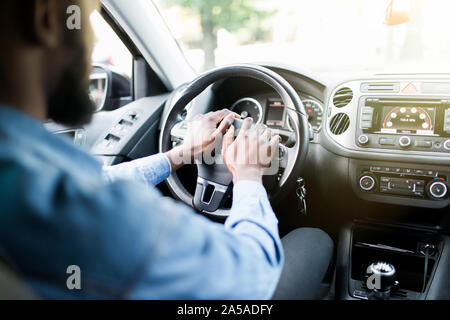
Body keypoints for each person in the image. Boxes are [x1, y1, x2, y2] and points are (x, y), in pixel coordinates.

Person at [0, 0, 333, 299]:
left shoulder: (22, 174)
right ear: (45, 17)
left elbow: (105, 179)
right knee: (314, 238)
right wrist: (247, 176)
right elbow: (251, 276)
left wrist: (180, 155)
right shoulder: (85, 211)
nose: (93, 40)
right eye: (90, 15)